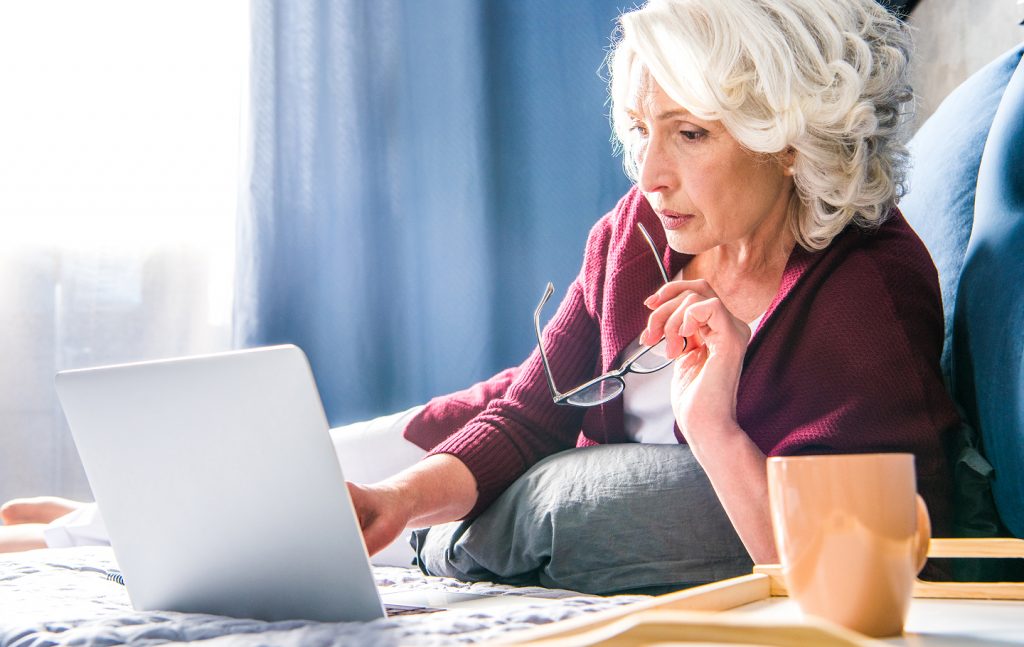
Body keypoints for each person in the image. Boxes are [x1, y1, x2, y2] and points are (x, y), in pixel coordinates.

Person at [3, 0, 958, 593]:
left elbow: (829, 582)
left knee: (233, 520)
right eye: (641, 131)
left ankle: (71, 526)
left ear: (786, 138)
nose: (650, 174)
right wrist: (394, 501)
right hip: (482, 416)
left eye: (691, 135)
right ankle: (77, 520)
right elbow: (536, 406)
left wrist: (715, 424)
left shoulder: (864, 296)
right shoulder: (637, 232)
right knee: (268, 490)